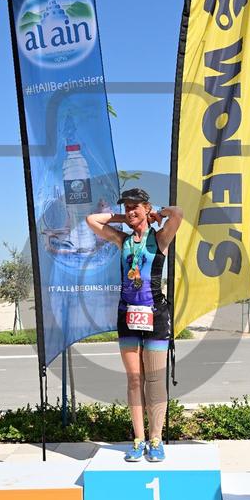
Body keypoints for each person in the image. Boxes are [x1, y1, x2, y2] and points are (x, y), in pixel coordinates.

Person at [86, 188, 183, 462]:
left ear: (146, 207)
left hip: (155, 314)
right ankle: (139, 439)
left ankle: (156, 439)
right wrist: (124, 218)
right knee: (134, 379)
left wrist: (157, 214)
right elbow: (92, 220)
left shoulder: (160, 238)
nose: (130, 211)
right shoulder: (122, 239)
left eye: (135, 207)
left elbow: (178, 214)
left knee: (154, 380)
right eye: (127, 207)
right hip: (127, 314)